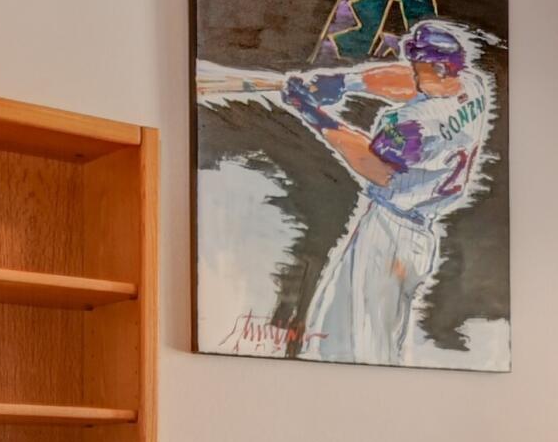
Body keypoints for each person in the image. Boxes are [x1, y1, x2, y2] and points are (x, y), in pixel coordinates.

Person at [195, 18, 497, 364]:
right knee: (355, 337)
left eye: (420, 66)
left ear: (440, 67)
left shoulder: (414, 126)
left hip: (389, 236)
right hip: (416, 236)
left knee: (360, 349)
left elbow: (374, 166)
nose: (413, 73)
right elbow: (409, 82)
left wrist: (313, 114)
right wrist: (344, 82)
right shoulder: (470, 86)